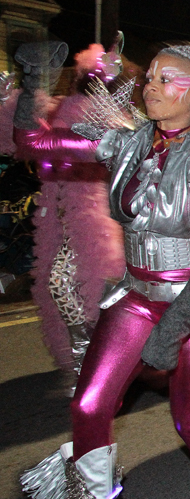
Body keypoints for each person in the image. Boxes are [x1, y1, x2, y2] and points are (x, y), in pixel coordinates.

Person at [17, 42, 190, 499]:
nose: (152, 86)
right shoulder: (126, 144)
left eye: (168, 79)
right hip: (133, 295)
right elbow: (32, 143)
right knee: (89, 406)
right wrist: (33, 79)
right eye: (150, 77)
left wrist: (174, 328)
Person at [12, 41, 127, 384]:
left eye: (97, 76)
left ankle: (89, 361)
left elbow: (97, 150)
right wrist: (28, 87)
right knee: (67, 292)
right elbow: (22, 137)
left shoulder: (110, 115)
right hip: (55, 217)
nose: (90, 80)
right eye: (86, 75)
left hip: (90, 216)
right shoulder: (61, 107)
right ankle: (94, 357)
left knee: (64, 284)